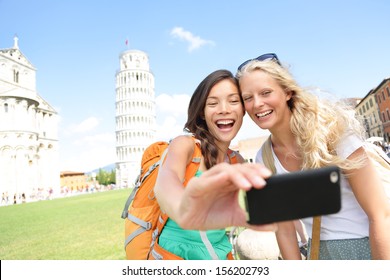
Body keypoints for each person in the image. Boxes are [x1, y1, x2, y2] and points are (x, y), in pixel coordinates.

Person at [235, 53, 390, 260]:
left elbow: (380, 215)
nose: (257, 104)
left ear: (287, 92)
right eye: (248, 98)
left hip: (372, 247)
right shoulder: (265, 158)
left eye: (266, 93)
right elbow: (286, 231)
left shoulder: (334, 133)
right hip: (320, 253)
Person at [153, 69, 274, 260]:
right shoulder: (185, 145)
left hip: (220, 254)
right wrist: (185, 211)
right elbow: (165, 183)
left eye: (233, 101)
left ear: (243, 109)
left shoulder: (237, 161)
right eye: (212, 103)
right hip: (177, 255)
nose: (224, 109)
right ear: (201, 111)